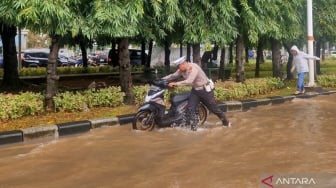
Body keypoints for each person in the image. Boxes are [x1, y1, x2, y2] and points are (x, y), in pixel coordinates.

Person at [163, 56, 231, 131]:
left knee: (214, 109)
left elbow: (189, 81)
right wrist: (161, 79)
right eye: (178, 67)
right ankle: (194, 128)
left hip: (205, 91)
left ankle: (226, 123)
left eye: (179, 66)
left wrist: (176, 83)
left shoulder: (193, 68)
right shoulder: (181, 70)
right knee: (190, 109)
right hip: (195, 91)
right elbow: (173, 76)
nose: (178, 69)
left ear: (184, 63)